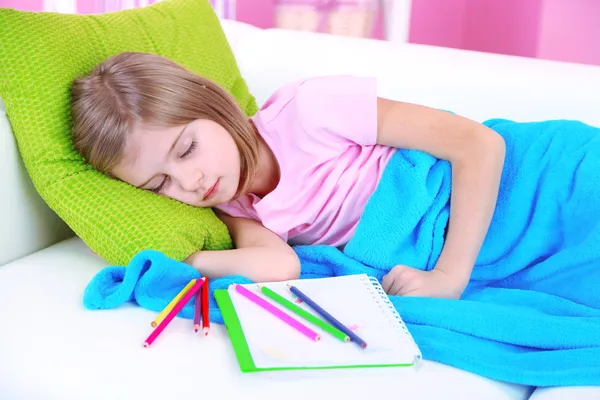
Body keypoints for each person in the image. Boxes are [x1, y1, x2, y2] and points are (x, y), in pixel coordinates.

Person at [71, 52, 506, 299]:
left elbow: (479, 144)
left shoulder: (309, 109)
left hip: (505, 183)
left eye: (187, 148)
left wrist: (449, 278)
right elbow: (279, 264)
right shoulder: (230, 205)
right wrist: (180, 261)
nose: (191, 181)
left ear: (210, 102)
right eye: (159, 184)